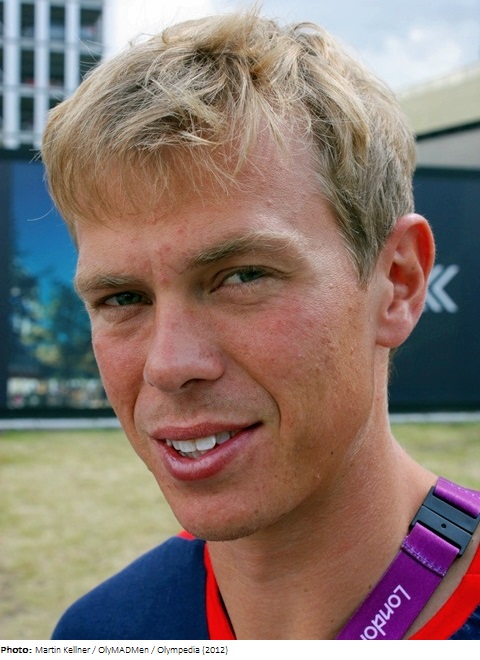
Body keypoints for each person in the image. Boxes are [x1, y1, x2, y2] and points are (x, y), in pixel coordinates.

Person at [41, 10, 480, 640]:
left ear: (398, 283)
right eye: (123, 298)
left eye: (242, 277)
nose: (169, 365)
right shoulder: (98, 633)